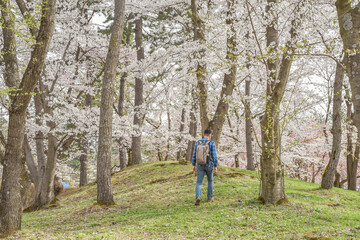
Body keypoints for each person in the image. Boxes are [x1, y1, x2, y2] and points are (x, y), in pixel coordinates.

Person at [192, 129, 218, 206]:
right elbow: (215, 156)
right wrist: (215, 166)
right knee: (210, 181)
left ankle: (198, 197)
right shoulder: (212, 143)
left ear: (203, 134)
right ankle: (209, 197)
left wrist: (194, 165)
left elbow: (194, 154)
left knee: (199, 182)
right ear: (210, 135)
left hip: (200, 165)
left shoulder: (198, 142)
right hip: (209, 165)